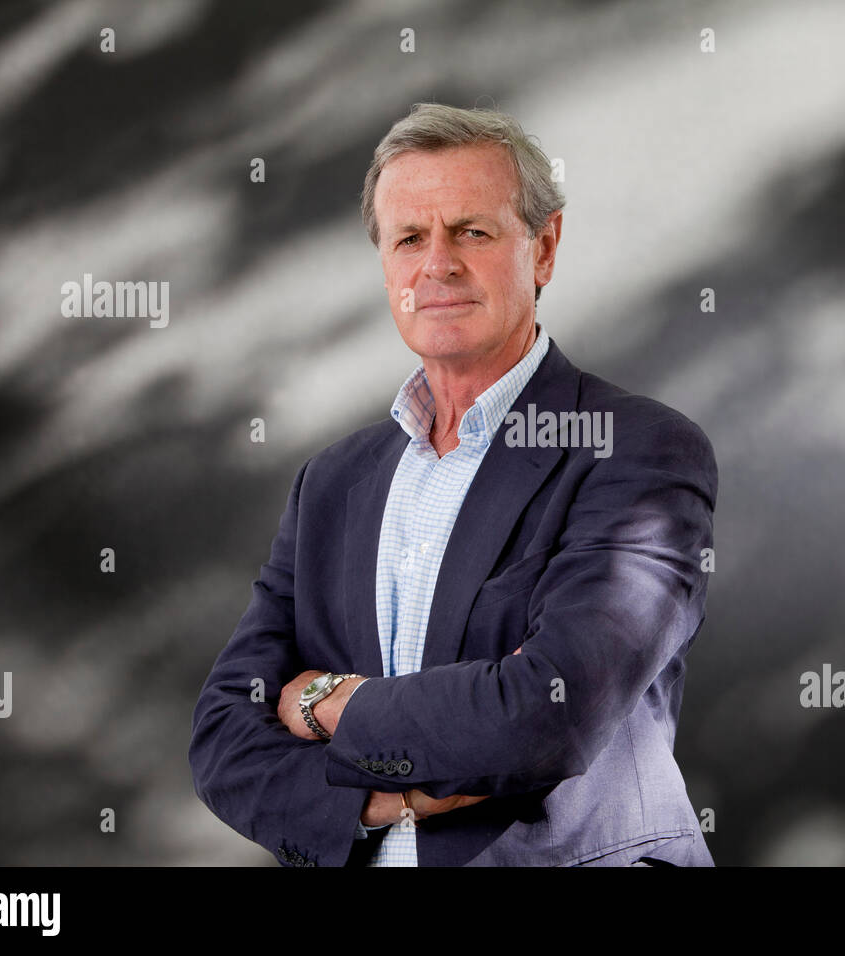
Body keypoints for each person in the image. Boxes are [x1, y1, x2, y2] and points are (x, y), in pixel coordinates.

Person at [189, 102, 717, 866]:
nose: (438, 263)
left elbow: (549, 711)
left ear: (544, 248)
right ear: (386, 267)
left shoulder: (637, 451)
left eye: (472, 231)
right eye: (410, 238)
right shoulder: (331, 485)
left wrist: (320, 700)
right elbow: (221, 735)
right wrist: (378, 806)